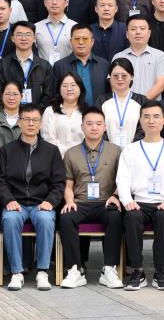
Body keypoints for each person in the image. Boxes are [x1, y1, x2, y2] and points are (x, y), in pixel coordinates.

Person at [116, 102, 164, 291]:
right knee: (131, 218)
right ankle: (137, 271)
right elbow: (122, 180)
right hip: (138, 202)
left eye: (156, 116)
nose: (151, 121)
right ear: (140, 120)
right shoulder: (130, 150)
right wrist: (128, 201)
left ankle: (161, 272)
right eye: (146, 116)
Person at [0, 104, 64, 292]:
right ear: (19, 122)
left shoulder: (51, 151)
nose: (31, 124)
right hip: (16, 202)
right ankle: (16, 272)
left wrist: (50, 201)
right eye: (26, 119)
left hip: (41, 203)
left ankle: (42, 271)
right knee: (10, 220)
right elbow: (0, 181)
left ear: (40, 123)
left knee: (45, 219)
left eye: (35, 120)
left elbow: (59, 183)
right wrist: (8, 200)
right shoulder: (7, 150)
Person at [57, 106, 125, 289]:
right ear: (82, 127)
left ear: (105, 127)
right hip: (80, 202)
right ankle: (75, 269)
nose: (94, 127)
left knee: (115, 216)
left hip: (106, 201)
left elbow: (122, 180)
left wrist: (115, 195)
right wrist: (69, 201)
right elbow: (68, 184)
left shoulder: (116, 151)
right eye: (89, 124)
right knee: (66, 217)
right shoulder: (71, 153)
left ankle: (109, 269)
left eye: (98, 124)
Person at [0, 21, 53, 107]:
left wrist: (35, 113)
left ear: (34, 38)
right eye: (19, 34)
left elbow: (48, 95)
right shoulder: (2, 64)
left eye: (28, 34)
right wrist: (12, 111)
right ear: (12, 38)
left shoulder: (45, 66)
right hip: (11, 113)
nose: (23, 38)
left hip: (36, 114)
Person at [114, 15, 164, 100]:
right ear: (127, 34)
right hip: (125, 106)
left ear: (149, 33)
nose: (138, 32)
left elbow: (160, 85)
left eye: (142, 28)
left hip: (151, 106)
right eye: (133, 29)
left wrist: (141, 103)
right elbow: (114, 85)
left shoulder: (160, 56)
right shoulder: (118, 57)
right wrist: (129, 104)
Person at [52, 26, 109, 108]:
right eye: (77, 39)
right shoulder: (60, 66)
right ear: (71, 42)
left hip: (98, 113)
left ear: (92, 42)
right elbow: (56, 95)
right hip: (70, 113)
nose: (81, 42)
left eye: (85, 39)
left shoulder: (104, 65)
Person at [101, 58, 149, 147]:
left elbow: (145, 127)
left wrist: (132, 148)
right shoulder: (102, 101)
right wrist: (109, 149)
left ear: (132, 77)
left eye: (124, 75)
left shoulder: (142, 101)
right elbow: (97, 126)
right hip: (107, 151)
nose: (120, 79)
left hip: (136, 150)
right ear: (110, 77)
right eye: (115, 76)